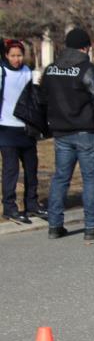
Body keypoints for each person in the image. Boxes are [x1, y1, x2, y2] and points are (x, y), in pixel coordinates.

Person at [39, 28, 94, 240]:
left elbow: (43, 99)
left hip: (61, 132)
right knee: (90, 179)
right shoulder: (89, 70)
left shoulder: (51, 70)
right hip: (87, 131)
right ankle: (93, 225)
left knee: (60, 178)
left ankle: (55, 225)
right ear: (86, 47)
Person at [0, 40, 44, 224]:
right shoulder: (2, 72)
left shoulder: (28, 72)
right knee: (11, 170)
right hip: (6, 128)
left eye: (19, 55)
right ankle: (10, 207)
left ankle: (32, 204)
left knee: (31, 169)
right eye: (13, 56)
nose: (16, 59)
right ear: (6, 55)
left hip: (26, 129)